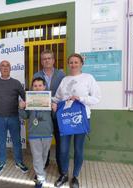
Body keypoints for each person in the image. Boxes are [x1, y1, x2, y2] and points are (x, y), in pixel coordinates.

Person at [53, 53, 101, 188]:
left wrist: (80, 98)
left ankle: (75, 177)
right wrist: (54, 103)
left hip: (81, 118)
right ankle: (63, 174)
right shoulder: (64, 80)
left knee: (78, 149)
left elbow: (97, 98)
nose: (73, 65)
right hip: (65, 119)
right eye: (71, 62)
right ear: (68, 65)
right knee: (63, 149)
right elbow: (57, 98)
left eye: (76, 62)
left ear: (81, 64)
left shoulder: (88, 78)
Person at [19, 77, 56, 188]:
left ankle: (39, 171)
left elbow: (54, 117)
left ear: (44, 87)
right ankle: (40, 178)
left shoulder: (50, 100)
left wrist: (55, 110)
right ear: (32, 87)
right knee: (37, 156)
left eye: (40, 85)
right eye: (35, 86)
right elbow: (25, 116)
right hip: (34, 133)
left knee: (44, 156)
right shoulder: (29, 100)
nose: (38, 88)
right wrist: (21, 108)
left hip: (47, 133)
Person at [0, 60, 28, 173]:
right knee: (1, 141)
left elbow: (25, 97)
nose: (5, 68)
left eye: (7, 66)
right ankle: (2, 161)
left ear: (10, 68)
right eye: (3, 66)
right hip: (0, 118)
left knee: (16, 141)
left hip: (14, 117)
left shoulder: (16, 83)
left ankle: (19, 162)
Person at [33, 49, 65, 172]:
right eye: (44, 59)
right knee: (42, 140)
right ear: (41, 61)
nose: (46, 60)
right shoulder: (36, 75)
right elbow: (34, 94)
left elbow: (64, 94)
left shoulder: (61, 75)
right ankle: (44, 162)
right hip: (43, 115)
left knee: (60, 141)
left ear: (53, 60)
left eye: (49, 58)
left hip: (58, 113)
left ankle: (60, 164)